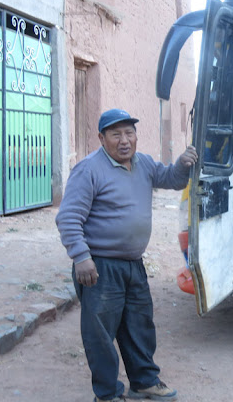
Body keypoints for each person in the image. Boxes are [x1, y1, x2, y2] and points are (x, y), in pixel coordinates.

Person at [56, 108, 198, 402]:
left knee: (139, 325)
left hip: (133, 264)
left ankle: (144, 382)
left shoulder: (143, 163)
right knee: (101, 335)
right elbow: (69, 217)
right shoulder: (89, 169)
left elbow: (170, 179)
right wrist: (81, 257)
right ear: (102, 138)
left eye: (129, 133)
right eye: (116, 134)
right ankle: (107, 394)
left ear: (136, 136)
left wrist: (183, 165)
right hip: (99, 267)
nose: (124, 140)